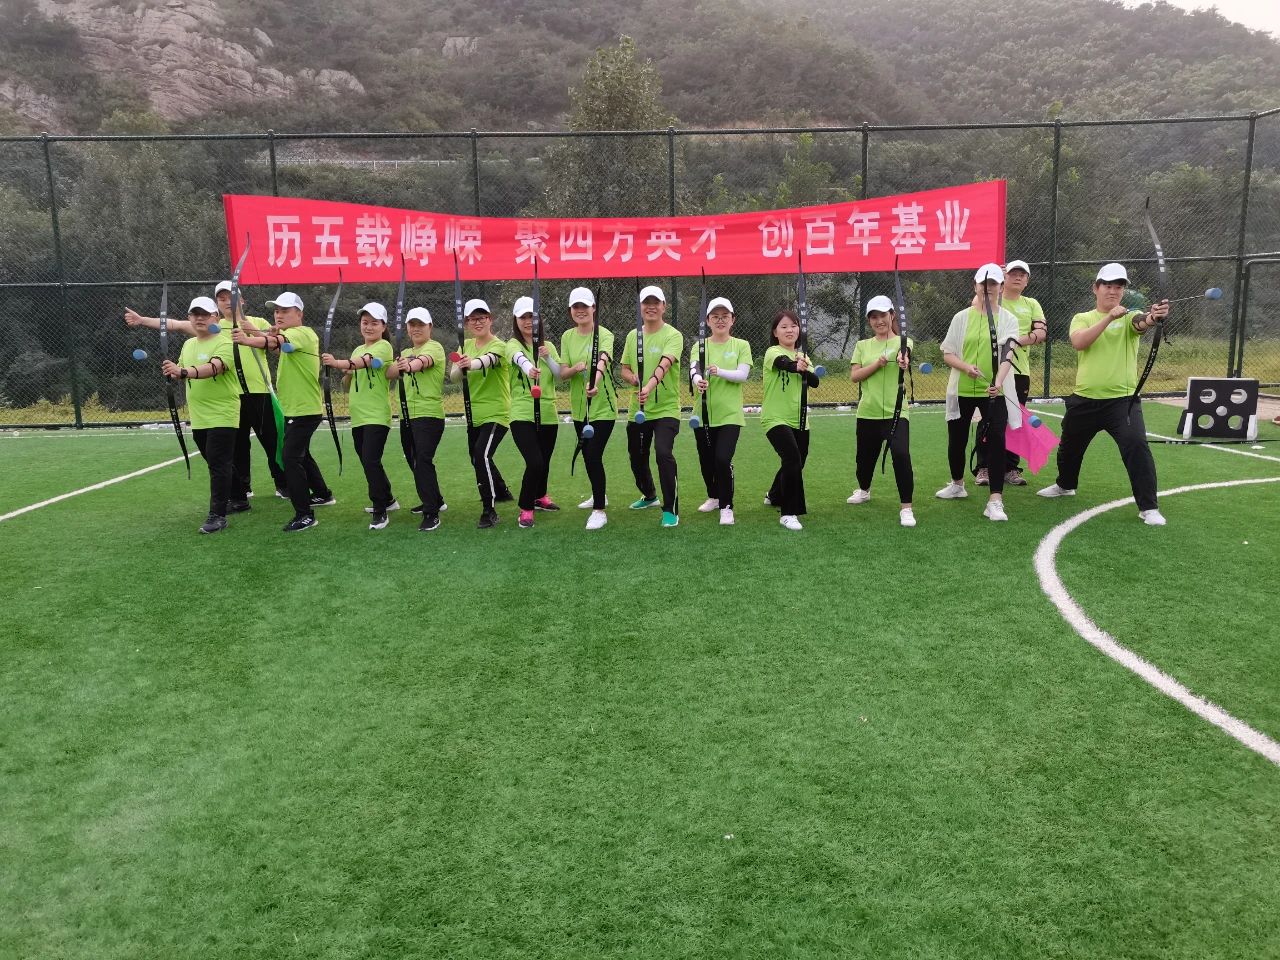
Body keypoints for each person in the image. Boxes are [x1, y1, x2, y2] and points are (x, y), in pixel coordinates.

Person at [125, 280, 284, 507]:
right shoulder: (212, 328)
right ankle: (242, 488)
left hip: (259, 392)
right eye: (222, 299)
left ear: (242, 300)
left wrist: (252, 331)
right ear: (217, 306)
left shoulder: (257, 322)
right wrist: (142, 320)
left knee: (272, 440)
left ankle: (283, 483)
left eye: (232, 297)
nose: (227, 302)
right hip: (230, 395)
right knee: (237, 446)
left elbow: (277, 349)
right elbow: (174, 324)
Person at [1037, 262, 1169, 525]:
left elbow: (1142, 322)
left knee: (1136, 445)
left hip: (1122, 402)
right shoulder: (1083, 318)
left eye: (1119, 286)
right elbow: (1079, 342)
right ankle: (1065, 485)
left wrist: (1154, 317)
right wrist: (1109, 318)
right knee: (1069, 448)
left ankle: (1148, 507)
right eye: (1107, 285)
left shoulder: (1131, 316)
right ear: (1095, 288)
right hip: (1084, 399)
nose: (1113, 291)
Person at [232, 291, 335, 532]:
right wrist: (257, 332)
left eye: (285, 310)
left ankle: (305, 515)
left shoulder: (302, 333)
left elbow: (273, 343)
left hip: (304, 410)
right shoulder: (291, 338)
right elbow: (278, 345)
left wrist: (248, 339)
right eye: (277, 311)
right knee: (301, 455)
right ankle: (323, 493)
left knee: (290, 458)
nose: (279, 315)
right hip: (295, 409)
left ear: (299, 313)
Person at [936, 264, 1022, 522]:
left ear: (1001, 287)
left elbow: (1008, 354)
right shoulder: (961, 317)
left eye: (993, 283)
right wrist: (965, 367)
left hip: (994, 392)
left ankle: (995, 500)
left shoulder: (1009, 319)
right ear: (975, 285)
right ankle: (957, 484)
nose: (988, 288)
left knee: (996, 441)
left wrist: (998, 382)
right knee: (957, 440)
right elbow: (948, 353)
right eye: (983, 283)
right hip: (961, 389)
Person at [159, 297, 238, 534]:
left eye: (205, 314)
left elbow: (215, 367)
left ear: (216, 317)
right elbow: (181, 371)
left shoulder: (225, 343)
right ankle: (239, 495)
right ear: (189, 318)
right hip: (199, 416)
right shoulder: (188, 345)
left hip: (223, 413)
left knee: (218, 463)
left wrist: (183, 371)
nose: (200, 318)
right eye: (195, 314)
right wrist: (173, 372)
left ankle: (218, 515)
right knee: (215, 460)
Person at [321, 302, 396, 530]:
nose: (369, 327)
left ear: (383, 326)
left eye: (374, 323)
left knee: (371, 461)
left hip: (377, 416)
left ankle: (380, 511)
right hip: (359, 416)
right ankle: (388, 499)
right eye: (365, 322)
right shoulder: (356, 350)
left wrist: (337, 363)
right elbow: (347, 386)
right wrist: (347, 373)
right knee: (368, 461)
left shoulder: (384, 347)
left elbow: (366, 361)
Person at [974, 259, 1046, 487]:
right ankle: (984, 468)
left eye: (1022, 275)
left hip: (1019, 371)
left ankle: (1010, 468)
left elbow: (1041, 333)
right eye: (1013, 273)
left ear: (1027, 281)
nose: (1017, 277)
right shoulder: (995, 297)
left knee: (1015, 420)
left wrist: (1012, 341)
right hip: (991, 369)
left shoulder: (1031, 303)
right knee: (988, 418)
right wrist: (993, 278)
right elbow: (976, 305)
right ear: (1004, 277)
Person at [847, 295, 916, 527]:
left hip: (897, 413)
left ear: (892, 315)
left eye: (883, 315)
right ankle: (864, 490)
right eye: (874, 317)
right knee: (864, 462)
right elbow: (855, 376)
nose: (879, 321)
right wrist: (877, 364)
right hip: (868, 413)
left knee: (901, 455)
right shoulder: (862, 346)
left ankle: (906, 508)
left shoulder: (904, 342)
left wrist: (903, 360)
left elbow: (905, 354)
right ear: (869, 321)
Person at [620, 285, 684, 528]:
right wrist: (633, 379)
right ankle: (649, 495)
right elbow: (624, 369)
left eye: (656, 302)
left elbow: (665, 364)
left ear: (664, 306)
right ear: (640, 307)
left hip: (666, 409)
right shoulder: (632, 336)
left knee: (663, 453)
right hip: (638, 409)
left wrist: (649, 385)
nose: (651, 307)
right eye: (646, 303)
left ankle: (670, 509)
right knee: (637, 457)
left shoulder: (673, 335)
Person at [689, 296, 752, 525]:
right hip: (703, 414)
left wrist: (718, 371)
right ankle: (714, 497)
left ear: (733, 319)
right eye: (715, 316)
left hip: (730, 415)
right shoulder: (699, 346)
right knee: (706, 461)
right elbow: (694, 369)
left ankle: (726, 506)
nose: (720, 320)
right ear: (708, 321)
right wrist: (698, 381)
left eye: (725, 316)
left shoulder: (741, 345)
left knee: (722, 459)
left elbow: (742, 375)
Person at [450, 298, 510, 529]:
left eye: (482, 317)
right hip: (473, 414)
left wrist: (471, 363)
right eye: (473, 319)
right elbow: (454, 377)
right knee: (476, 458)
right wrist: (461, 365)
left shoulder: (500, 346)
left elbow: (487, 361)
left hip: (497, 412)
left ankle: (489, 510)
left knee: (481, 454)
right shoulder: (464, 346)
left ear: (490, 319)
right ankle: (501, 490)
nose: (477, 322)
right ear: (466, 323)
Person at [559, 287, 616, 530]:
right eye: (576, 307)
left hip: (603, 408)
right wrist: (576, 369)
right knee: (588, 455)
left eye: (585, 306)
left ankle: (599, 510)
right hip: (580, 409)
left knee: (592, 454)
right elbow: (563, 373)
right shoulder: (567, 337)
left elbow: (603, 359)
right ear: (571, 310)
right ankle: (599, 493)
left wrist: (595, 381)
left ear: (594, 308)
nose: (580, 310)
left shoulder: (605, 334)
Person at [506, 296, 563, 529]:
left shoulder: (548, 346)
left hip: (548, 411)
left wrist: (547, 357)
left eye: (532, 316)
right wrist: (530, 367)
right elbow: (518, 359)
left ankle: (540, 496)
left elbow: (559, 375)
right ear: (516, 320)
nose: (528, 321)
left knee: (544, 460)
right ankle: (526, 507)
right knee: (535, 461)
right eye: (523, 317)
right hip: (522, 412)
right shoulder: (512, 344)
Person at [761, 310, 820, 531]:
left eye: (793, 325)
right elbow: (782, 363)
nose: (789, 330)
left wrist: (803, 368)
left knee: (797, 461)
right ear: (775, 332)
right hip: (775, 418)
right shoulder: (772, 352)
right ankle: (788, 512)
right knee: (792, 457)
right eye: (784, 326)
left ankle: (774, 494)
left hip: (800, 420)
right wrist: (795, 366)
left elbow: (814, 382)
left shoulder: (804, 356)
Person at [395, 307, 448, 531]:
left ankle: (431, 512)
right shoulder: (405, 350)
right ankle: (436, 499)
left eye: (421, 325)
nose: (416, 329)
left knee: (422, 460)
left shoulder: (434, 347)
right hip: (407, 415)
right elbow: (391, 371)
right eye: (412, 325)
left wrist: (408, 365)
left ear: (430, 327)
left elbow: (422, 361)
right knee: (413, 460)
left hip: (429, 415)